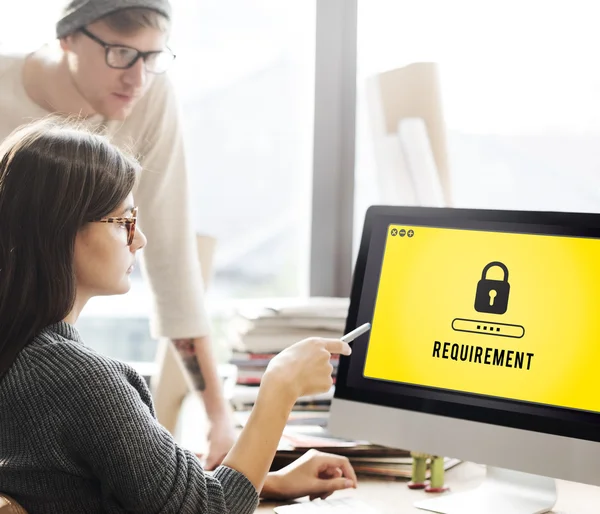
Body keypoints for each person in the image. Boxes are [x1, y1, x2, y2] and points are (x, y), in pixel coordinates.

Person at [0, 118, 357, 513]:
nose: (140, 239)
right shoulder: (78, 381)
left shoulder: (22, 356)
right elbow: (208, 509)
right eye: (124, 222)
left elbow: (108, 488)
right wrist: (281, 387)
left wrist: (265, 483)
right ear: (61, 231)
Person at [0, 0, 236, 468]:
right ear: (67, 37)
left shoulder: (150, 95)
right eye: (121, 53)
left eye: (153, 57)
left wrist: (218, 417)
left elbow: (170, 259)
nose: (138, 78)